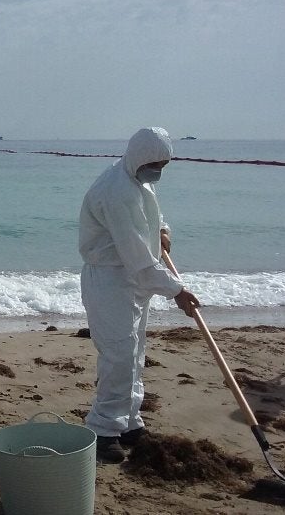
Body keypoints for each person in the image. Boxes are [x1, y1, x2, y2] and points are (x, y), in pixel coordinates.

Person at [78, 127, 201, 464]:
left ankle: (129, 422)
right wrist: (177, 291)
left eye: (163, 165)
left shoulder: (135, 178)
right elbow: (137, 256)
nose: (158, 171)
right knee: (118, 355)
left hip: (133, 280)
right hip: (110, 279)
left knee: (134, 353)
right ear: (139, 156)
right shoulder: (116, 190)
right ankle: (103, 432)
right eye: (155, 164)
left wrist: (162, 230)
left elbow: (150, 215)